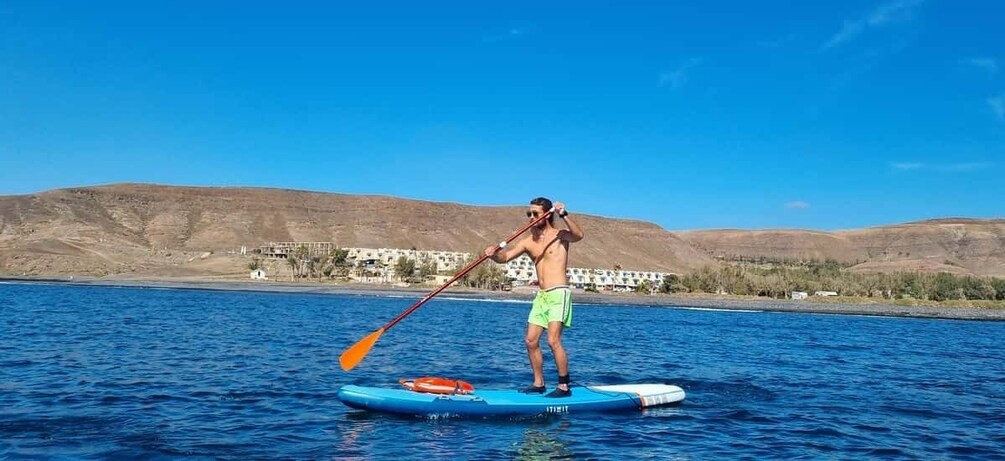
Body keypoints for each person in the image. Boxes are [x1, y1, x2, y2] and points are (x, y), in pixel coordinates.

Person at [485, 197, 585, 398]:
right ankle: (538, 383)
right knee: (530, 341)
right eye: (529, 214)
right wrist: (493, 254)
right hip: (541, 296)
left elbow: (579, 235)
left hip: (559, 293)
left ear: (547, 215)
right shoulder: (528, 241)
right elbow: (504, 258)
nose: (531, 217)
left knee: (553, 340)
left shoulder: (560, 235)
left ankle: (564, 386)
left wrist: (564, 214)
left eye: (535, 213)